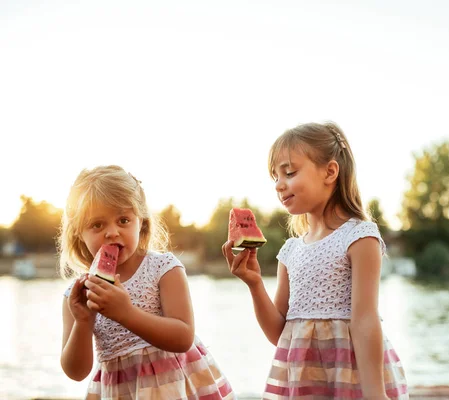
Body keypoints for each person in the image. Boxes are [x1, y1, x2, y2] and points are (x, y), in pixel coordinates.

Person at [222, 122, 409, 399]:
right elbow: (280, 334)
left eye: (290, 172)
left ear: (330, 172)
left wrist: (375, 393)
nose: (279, 184)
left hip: (353, 378)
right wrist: (254, 284)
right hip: (303, 380)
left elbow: (365, 320)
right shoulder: (291, 250)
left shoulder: (359, 236)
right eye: (275, 177)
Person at [59, 165, 234, 399]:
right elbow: (76, 372)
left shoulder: (163, 269)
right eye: (97, 225)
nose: (112, 232)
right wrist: (83, 322)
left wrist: (125, 312)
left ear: (141, 222)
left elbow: (183, 337)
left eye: (123, 220)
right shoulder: (77, 294)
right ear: (79, 233)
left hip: (175, 388)